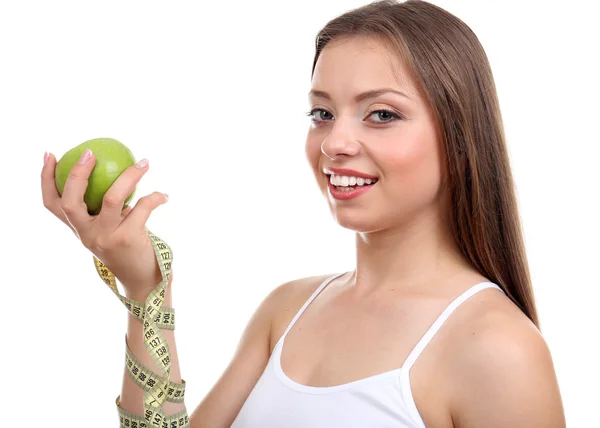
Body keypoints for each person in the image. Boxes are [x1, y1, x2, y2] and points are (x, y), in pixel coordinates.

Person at [41, 0, 566, 426]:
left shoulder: (498, 350)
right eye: (322, 113)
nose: (335, 141)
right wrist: (146, 290)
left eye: (381, 114)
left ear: (460, 135)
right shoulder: (286, 310)